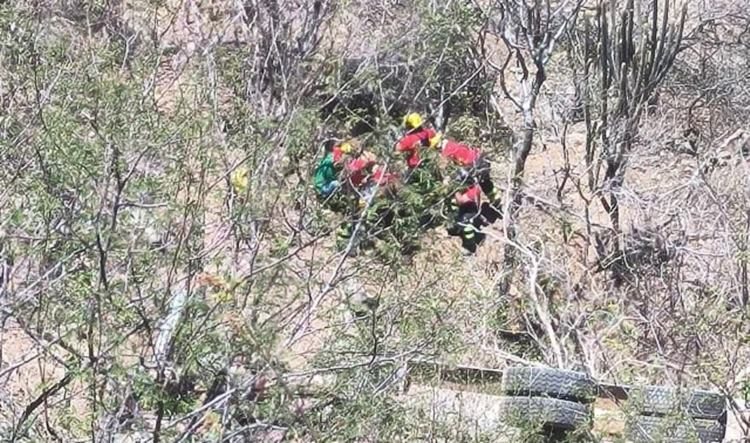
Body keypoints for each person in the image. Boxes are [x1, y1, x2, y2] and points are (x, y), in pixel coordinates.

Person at [445, 183, 486, 254]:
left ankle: (470, 246)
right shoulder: (474, 187)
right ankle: (456, 228)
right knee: (455, 218)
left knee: (466, 226)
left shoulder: (471, 190)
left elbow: (461, 201)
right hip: (467, 210)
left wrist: (455, 191)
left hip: (469, 211)